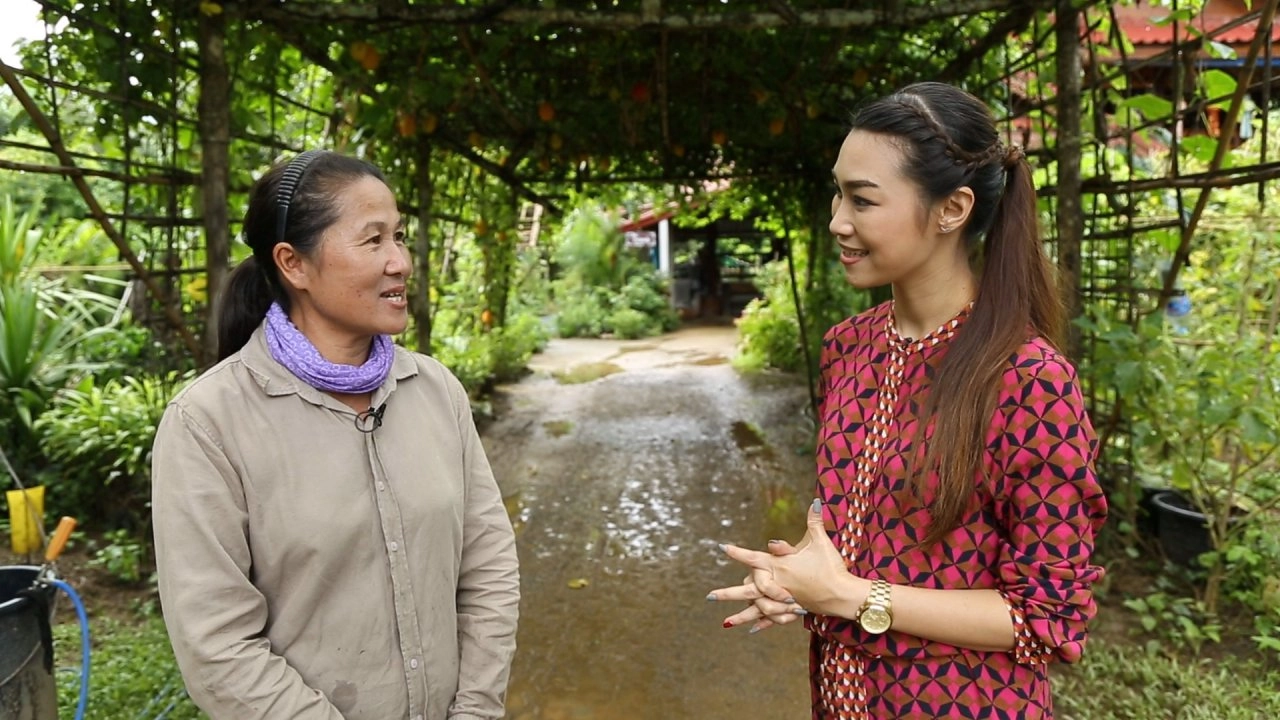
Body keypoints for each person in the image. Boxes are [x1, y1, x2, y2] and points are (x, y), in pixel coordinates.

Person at [706, 82, 1107, 719]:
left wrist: (851, 595)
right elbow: (870, 537)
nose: (837, 219)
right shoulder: (848, 347)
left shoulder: (1030, 379)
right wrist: (808, 581)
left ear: (951, 209)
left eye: (862, 199)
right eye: (838, 192)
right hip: (841, 700)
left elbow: (1049, 617)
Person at [151, 150, 520, 720]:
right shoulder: (207, 424)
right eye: (373, 241)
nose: (399, 261)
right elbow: (218, 646)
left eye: (399, 237)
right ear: (293, 264)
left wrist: (474, 708)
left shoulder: (436, 391)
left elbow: (488, 564)